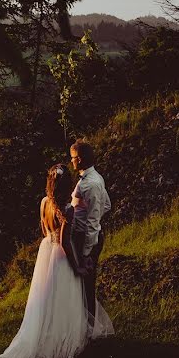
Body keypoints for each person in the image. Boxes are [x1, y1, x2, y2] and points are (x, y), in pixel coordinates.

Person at [0, 164, 113, 358]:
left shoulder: (44, 202)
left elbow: (45, 230)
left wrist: (51, 242)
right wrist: (78, 265)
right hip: (62, 256)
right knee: (63, 299)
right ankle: (62, 341)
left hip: (46, 251)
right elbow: (64, 242)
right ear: (66, 185)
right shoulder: (67, 209)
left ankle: (44, 335)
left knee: (46, 299)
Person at [68, 139, 111, 328]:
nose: (72, 162)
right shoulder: (93, 178)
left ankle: (89, 329)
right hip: (84, 236)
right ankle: (84, 327)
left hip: (87, 239)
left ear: (81, 159)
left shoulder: (91, 184)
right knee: (83, 286)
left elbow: (93, 223)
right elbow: (106, 205)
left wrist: (86, 252)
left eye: (74, 158)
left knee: (86, 286)